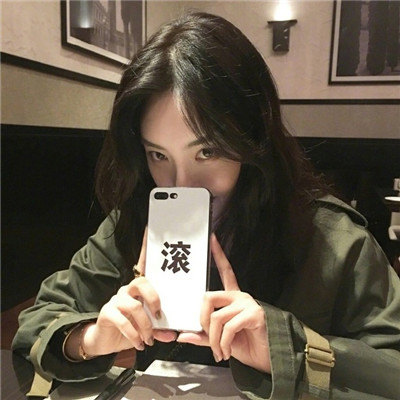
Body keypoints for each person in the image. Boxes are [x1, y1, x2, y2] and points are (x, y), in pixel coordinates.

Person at [13, 11, 400, 400]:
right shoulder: (139, 223)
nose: (181, 184)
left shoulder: (333, 240)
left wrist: (288, 351)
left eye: (207, 151)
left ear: (253, 139)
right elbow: (40, 322)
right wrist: (90, 338)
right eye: (158, 155)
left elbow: (392, 368)